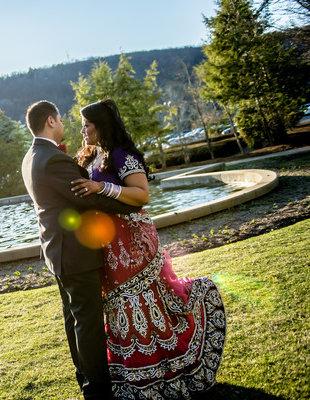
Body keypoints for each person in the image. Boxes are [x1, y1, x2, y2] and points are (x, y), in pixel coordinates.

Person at [70, 98, 226, 399]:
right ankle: (134, 378)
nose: (82, 129)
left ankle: (167, 373)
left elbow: (142, 195)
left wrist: (101, 187)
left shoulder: (121, 155)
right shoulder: (90, 155)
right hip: (107, 245)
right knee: (119, 305)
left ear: (100, 126)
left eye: (87, 125)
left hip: (132, 241)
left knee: (141, 302)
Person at [22, 100, 141, 400]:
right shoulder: (52, 158)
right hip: (75, 254)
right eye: (61, 119)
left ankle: (86, 380)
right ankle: (98, 392)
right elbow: (84, 198)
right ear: (50, 121)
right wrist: (129, 204)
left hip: (57, 254)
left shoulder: (30, 157)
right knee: (88, 324)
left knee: (74, 320)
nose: (64, 125)